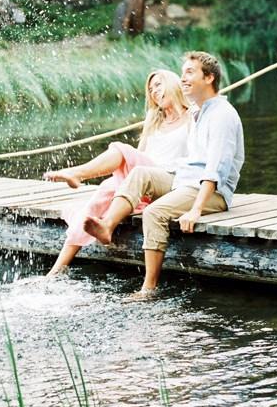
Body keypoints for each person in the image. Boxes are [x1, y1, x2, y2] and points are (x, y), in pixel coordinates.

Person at [82, 51, 244, 301]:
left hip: (212, 192)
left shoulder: (222, 114)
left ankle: (148, 289)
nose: (183, 78)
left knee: (153, 213)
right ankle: (107, 225)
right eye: (182, 73)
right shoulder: (199, 112)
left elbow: (216, 169)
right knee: (141, 173)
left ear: (209, 77)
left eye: (190, 72)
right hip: (184, 182)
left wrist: (196, 210)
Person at [42, 69, 192, 277]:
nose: (155, 91)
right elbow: (141, 155)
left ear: (173, 83)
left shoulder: (192, 117)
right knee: (104, 192)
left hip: (170, 181)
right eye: (151, 89)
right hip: (143, 179)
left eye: (158, 85)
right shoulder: (154, 120)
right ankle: (55, 271)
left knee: (121, 149)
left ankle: (78, 173)